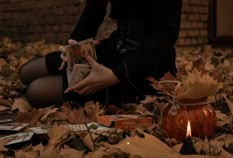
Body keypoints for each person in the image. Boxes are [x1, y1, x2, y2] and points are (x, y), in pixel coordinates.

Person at [19, 0, 183, 108]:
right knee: (27, 72)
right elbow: (94, 10)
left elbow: (164, 39)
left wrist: (115, 75)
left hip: (146, 69)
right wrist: (76, 46)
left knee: (36, 92)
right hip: (113, 50)